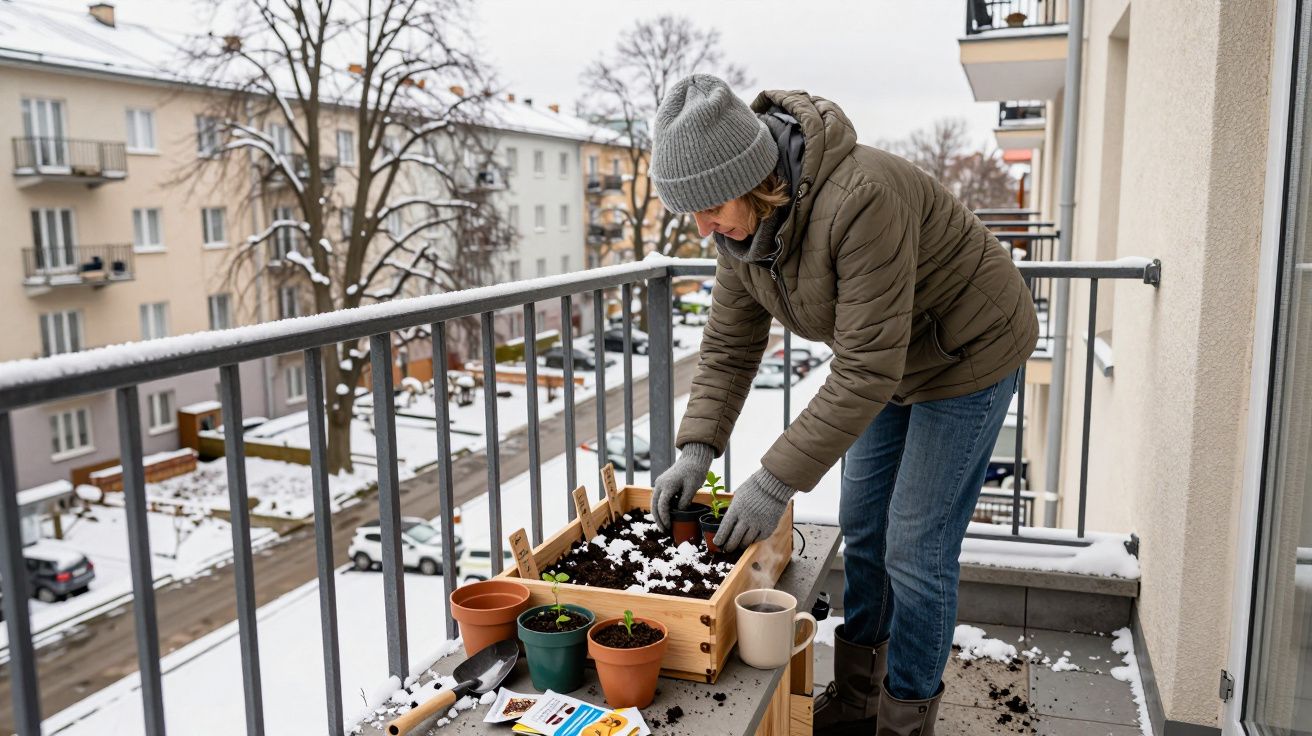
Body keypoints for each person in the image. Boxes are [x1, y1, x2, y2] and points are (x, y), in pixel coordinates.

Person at [647, 74, 1038, 735]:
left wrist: (773, 481)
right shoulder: (741, 237)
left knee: (914, 545)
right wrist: (696, 448)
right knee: (865, 526)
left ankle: (904, 720)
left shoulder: (863, 198)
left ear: (752, 178)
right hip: (891, 358)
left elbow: (863, 371)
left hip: (970, 351)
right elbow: (727, 351)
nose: (702, 225)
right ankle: (859, 699)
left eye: (708, 205)